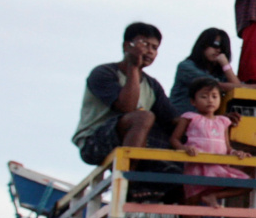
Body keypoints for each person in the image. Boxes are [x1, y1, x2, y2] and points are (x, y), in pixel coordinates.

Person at [72, 22, 177, 166]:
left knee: (179, 139)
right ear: (127, 46)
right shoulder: (103, 73)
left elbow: (172, 120)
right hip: (93, 142)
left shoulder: (152, 85)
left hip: (131, 143)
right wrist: (133, 66)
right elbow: (127, 107)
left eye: (155, 47)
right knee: (143, 117)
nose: (150, 51)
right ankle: (129, 180)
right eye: (145, 44)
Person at [171, 77, 250, 218]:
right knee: (191, 207)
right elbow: (174, 139)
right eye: (204, 96)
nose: (210, 100)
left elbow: (227, 147)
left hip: (218, 168)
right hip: (196, 167)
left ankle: (214, 196)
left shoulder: (223, 121)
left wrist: (236, 153)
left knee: (248, 184)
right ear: (193, 101)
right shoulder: (189, 117)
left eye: (214, 96)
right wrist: (185, 148)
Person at [172, 27, 256, 117]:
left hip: (204, 128)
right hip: (179, 122)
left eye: (222, 48)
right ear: (203, 44)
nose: (218, 50)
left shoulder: (219, 73)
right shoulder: (186, 67)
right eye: (215, 45)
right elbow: (217, 85)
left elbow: (238, 89)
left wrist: (226, 65)